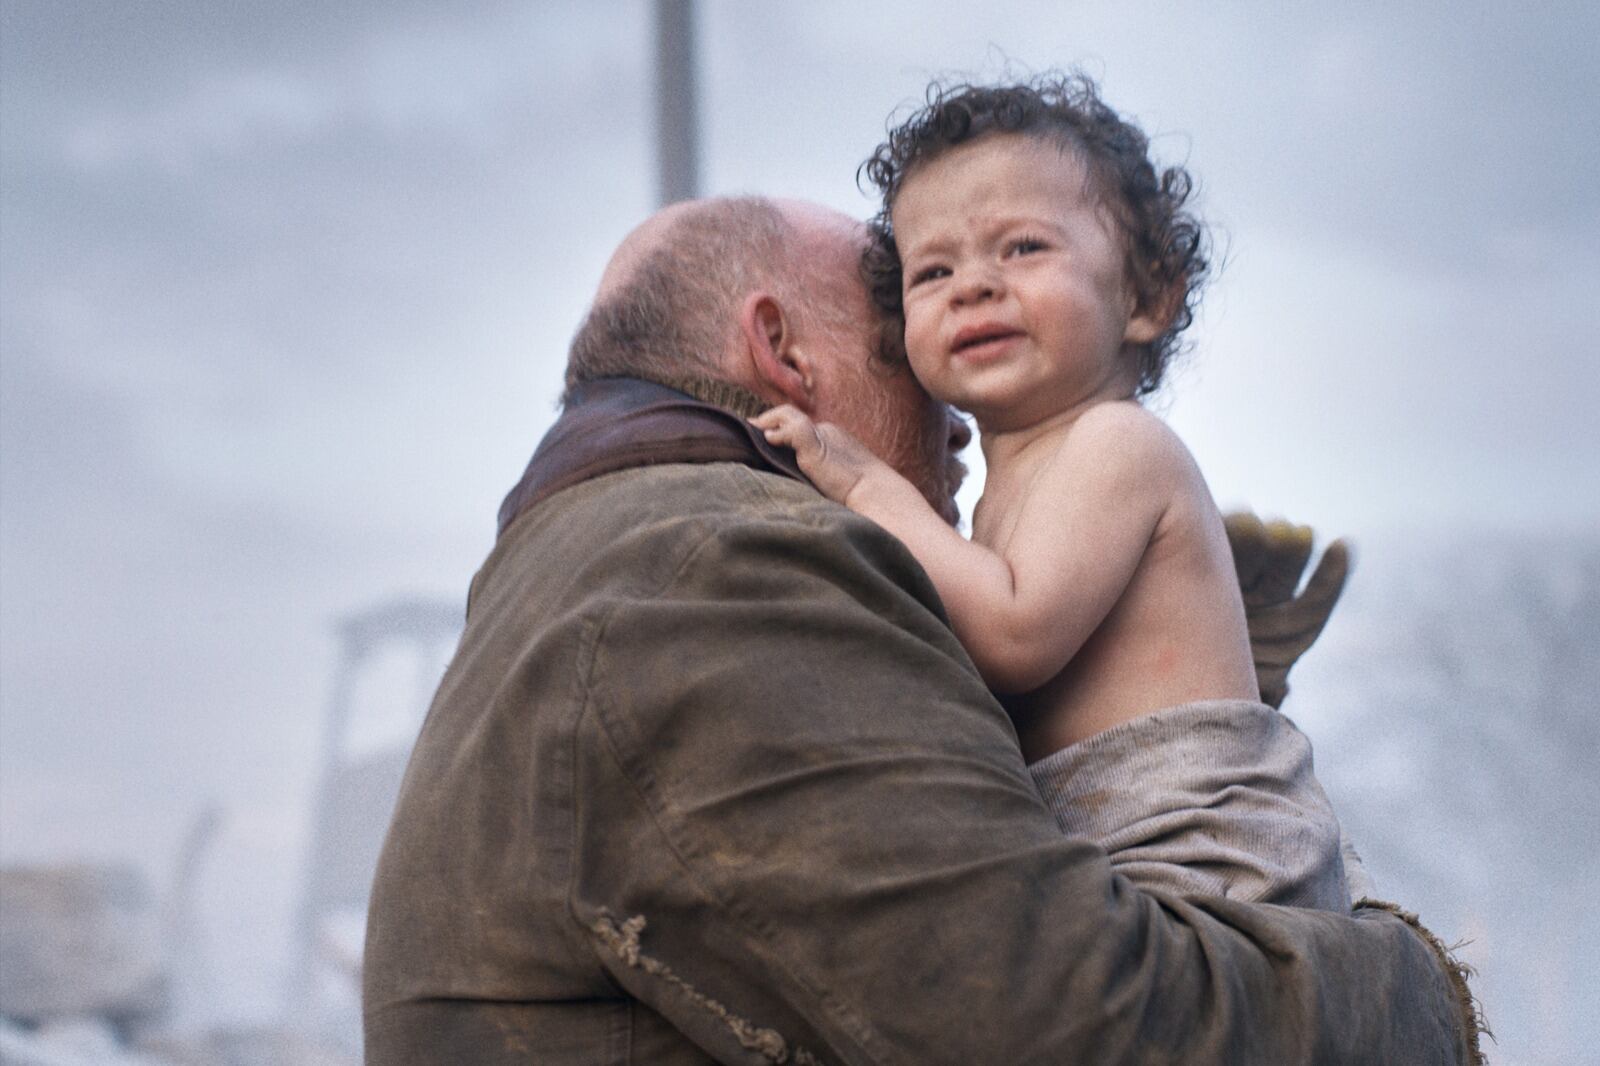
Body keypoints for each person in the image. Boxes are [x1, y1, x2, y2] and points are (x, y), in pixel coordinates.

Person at [363, 195, 1481, 1064]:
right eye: (911, 345)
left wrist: (1148, 691)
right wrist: (1412, 989)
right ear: (782, 352)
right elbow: (1075, 1030)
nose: (962, 426)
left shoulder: (623, 564)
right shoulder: (723, 577)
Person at [753, 75, 1350, 910]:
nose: (972, 285)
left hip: (1220, 871)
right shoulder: (1000, 500)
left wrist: (863, 483)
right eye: (933, 270)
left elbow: (1014, 635)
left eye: (1024, 248)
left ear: (1147, 297)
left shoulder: (1119, 444)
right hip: (1121, 863)